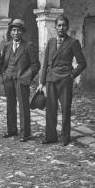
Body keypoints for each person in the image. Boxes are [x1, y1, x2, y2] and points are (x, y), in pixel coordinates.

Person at [37, 15, 86, 146]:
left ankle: (65, 137)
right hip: (51, 80)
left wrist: (71, 75)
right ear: (55, 27)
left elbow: (82, 63)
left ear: (67, 27)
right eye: (59, 25)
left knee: (65, 109)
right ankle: (51, 137)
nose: (61, 28)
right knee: (50, 109)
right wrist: (41, 82)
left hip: (65, 81)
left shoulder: (73, 42)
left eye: (63, 25)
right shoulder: (51, 42)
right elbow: (46, 63)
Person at [0, 19, 40, 142]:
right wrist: (4, 75)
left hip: (21, 80)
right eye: (14, 30)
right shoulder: (7, 46)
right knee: (10, 105)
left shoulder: (28, 45)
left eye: (18, 30)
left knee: (23, 106)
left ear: (22, 32)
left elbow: (35, 65)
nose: (16, 32)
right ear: (10, 32)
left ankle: (25, 133)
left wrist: (26, 78)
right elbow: (3, 63)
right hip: (8, 80)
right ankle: (11, 129)